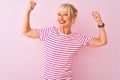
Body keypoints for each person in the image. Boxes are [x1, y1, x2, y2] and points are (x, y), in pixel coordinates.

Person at [22, 0, 107, 80]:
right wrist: (28, 11)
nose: (61, 18)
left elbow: (102, 41)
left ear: (73, 17)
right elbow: (26, 32)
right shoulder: (49, 32)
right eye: (59, 14)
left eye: (65, 14)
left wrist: (99, 22)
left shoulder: (78, 39)